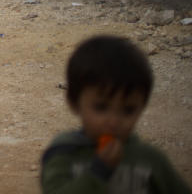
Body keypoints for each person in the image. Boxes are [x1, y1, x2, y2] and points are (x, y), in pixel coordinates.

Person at [40, 35, 190, 193]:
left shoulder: (149, 160)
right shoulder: (64, 154)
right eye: (101, 107)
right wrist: (98, 172)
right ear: (74, 103)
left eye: (128, 110)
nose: (114, 121)